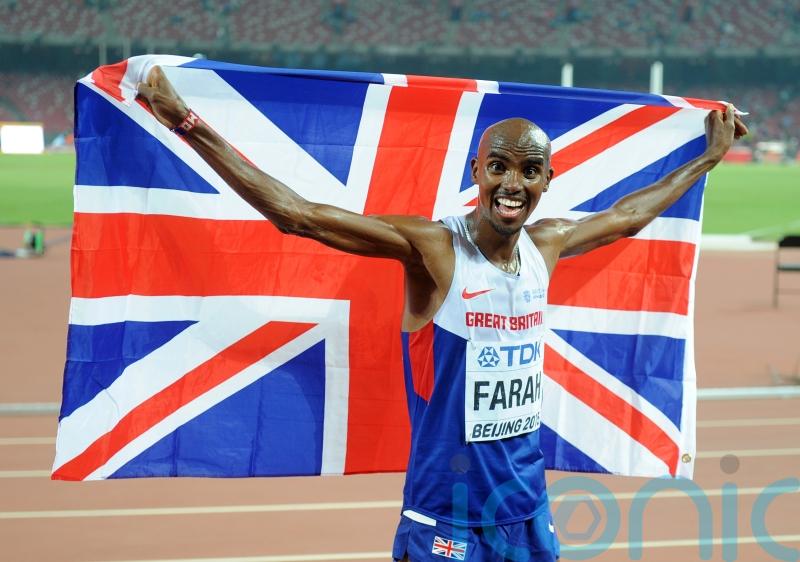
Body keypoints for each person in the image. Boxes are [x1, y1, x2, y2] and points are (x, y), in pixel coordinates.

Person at [136, 67, 746, 561]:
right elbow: (299, 215)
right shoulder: (434, 249)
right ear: (476, 171)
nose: (513, 182)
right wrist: (188, 123)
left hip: (525, 508)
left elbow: (630, 215)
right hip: (445, 513)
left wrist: (709, 159)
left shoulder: (547, 245)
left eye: (530, 170)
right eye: (500, 165)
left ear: (547, 180)